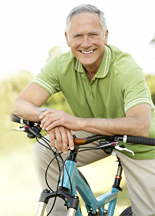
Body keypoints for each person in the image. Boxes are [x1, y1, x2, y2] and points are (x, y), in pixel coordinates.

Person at [12, 4, 155, 216]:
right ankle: (60, 212)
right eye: (78, 35)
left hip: (139, 143)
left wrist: (76, 122)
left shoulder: (127, 68)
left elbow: (141, 125)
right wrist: (50, 118)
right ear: (67, 38)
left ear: (105, 36)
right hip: (96, 132)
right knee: (44, 149)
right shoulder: (60, 65)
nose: (85, 43)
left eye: (93, 35)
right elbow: (20, 104)